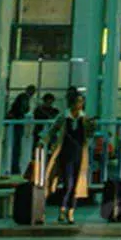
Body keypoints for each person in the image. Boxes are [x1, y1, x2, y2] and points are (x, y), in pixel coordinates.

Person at [44, 88, 92, 224]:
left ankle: (70, 211)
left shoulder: (84, 118)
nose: (80, 105)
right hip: (66, 153)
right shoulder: (64, 117)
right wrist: (44, 141)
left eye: (81, 102)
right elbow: (53, 130)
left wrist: (91, 128)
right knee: (69, 183)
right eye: (78, 102)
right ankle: (63, 209)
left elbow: (88, 135)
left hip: (79, 155)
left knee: (76, 184)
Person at [6, 83, 35, 172]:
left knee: (16, 145)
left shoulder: (23, 97)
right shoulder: (24, 98)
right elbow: (22, 109)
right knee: (16, 145)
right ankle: (14, 167)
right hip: (17, 123)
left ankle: (14, 166)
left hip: (17, 122)